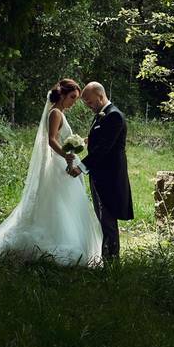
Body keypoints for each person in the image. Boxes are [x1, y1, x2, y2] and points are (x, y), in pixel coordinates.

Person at [0, 79, 102, 265]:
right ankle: (58, 241)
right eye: (72, 97)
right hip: (59, 166)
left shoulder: (59, 113)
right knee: (59, 206)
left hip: (63, 165)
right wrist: (66, 155)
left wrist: (82, 141)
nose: (73, 102)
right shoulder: (55, 114)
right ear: (62, 95)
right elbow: (52, 140)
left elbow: (63, 139)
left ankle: (66, 238)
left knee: (63, 206)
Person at [66, 81, 133, 261]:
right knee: (103, 219)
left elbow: (104, 149)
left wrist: (80, 167)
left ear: (100, 96)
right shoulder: (102, 115)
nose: (87, 105)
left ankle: (111, 262)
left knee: (107, 220)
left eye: (89, 101)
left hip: (109, 178)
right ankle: (109, 260)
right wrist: (85, 141)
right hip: (100, 175)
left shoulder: (114, 116)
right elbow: (101, 138)